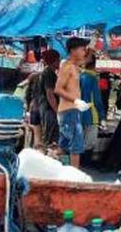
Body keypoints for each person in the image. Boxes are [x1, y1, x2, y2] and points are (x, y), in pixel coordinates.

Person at [54, 37, 91, 168]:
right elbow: (58, 89)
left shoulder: (74, 67)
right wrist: (75, 100)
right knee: (76, 147)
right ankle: (75, 176)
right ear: (73, 50)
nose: (84, 52)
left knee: (63, 146)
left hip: (71, 110)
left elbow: (87, 59)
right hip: (69, 110)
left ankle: (53, 167)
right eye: (82, 49)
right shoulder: (67, 67)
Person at [80, 49, 107, 166]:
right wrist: (102, 117)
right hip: (91, 115)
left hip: (78, 114)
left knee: (79, 142)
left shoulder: (79, 76)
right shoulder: (92, 79)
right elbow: (97, 100)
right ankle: (86, 166)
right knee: (89, 144)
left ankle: (79, 165)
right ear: (95, 65)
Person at [38, 49, 61, 149]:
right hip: (48, 108)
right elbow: (50, 93)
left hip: (45, 106)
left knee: (50, 133)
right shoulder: (49, 74)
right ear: (54, 61)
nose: (59, 62)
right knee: (50, 135)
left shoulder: (48, 72)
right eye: (58, 60)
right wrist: (57, 110)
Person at [24, 70, 43, 150]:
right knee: (42, 137)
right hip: (41, 111)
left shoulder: (30, 94)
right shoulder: (42, 91)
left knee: (37, 136)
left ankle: (36, 152)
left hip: (33, 112)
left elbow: (27, 108)